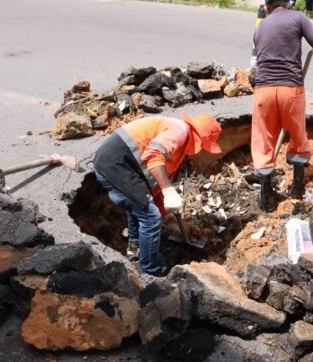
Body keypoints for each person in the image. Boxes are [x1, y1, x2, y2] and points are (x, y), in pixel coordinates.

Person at [93, 114, 222, 276]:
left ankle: (134, 250)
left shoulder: (180, 135)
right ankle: (150, 271)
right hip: (115, 163)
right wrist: (169, 192)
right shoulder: (179, 132)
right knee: (151, 217)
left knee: (140, 207)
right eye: (205, 145)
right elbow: (154, 155)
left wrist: (166, 204)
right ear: (200, 137)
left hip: (117, 161)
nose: (202, 149)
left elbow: (156, 181)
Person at [251, 0, 313, 210]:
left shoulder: (260, 27)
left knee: (263, 140)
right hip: (290, 90)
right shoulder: (297, 17)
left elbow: (256, 62)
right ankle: (296, 189)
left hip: (263, 91)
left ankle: (266, 199)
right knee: (298, 135)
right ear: (287, 4)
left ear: (268, 8)